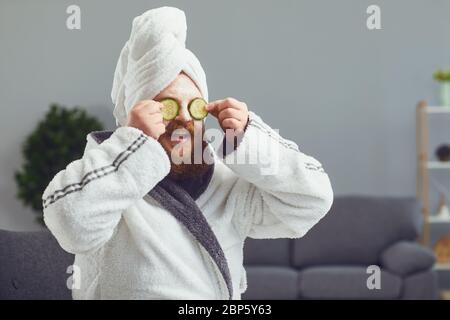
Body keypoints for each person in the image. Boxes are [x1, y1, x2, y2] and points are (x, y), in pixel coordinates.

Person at [42, 6, 333, 300]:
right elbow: (70, 222)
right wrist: (133, 145)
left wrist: (250, 140)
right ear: (137, 117)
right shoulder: (111, 180)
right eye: (165, 106)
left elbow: (311, 201)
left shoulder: (226, 185)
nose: (183, 117)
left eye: (194, 106)